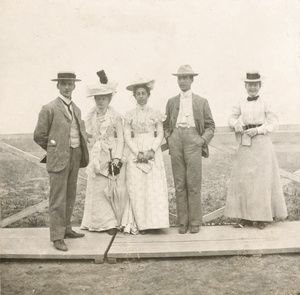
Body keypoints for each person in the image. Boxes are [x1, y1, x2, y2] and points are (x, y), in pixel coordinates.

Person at [34, 71, 89, 251]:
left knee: (70, 195)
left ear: (74, 86)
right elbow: (39, 136)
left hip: (76, 155)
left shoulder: (77, 109)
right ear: (58, 86)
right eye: (63, 83)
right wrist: (54, 150)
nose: (67, 87)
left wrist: (77, 151)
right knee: (57, 198)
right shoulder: (49, 108)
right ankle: (57, 237)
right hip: (59, 158)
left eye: (70, 84)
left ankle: (66, 229)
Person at [224, 71, 287, 229]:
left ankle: (262, 217)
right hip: (246, 143)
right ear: (245, 85)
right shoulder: (240, 101)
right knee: (245, 180)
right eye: (249, 84)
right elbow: (231, 117)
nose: (252, 87)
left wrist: (258, 130)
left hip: (262, 142)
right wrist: (235, 124)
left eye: (255, 84)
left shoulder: (266, 102)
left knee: (261, 181)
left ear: (260, 86)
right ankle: (246, 217)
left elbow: (274, 123)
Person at [163, 65, 215, 234]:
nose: (182, 81)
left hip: (193, 139)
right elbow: (166, 124)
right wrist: (169, 137)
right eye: (180, 78)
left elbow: (210, 126)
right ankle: (182, 222)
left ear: (192, 80)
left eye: (186, 78)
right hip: (176, 139)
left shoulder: (201, 101)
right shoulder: (171, 101)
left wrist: (202, 140)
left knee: (193, 183)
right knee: (179, 183)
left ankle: (194, 222)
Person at [80, 72, 129, 235]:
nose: (101, 101)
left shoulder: (115, 116)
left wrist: (116, 158)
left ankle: (112, 223)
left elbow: (121, 138)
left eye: (104, 98)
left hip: (110, 154)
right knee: (96, 188)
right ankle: (94, 222)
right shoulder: (91, 116)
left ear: (109, 99)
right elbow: (88, 134)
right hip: (97, 155)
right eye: (98, 98)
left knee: (111, 188)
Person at [123, 75, 169, 235]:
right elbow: (127, 136)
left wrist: (152, 150)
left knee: (153, 187)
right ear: (134, 96)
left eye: (143, 93)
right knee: (138, 188)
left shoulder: (155, 113)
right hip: (136, 151)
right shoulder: (129, 115)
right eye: (138, 94)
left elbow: (160, 133)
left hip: (152, 151)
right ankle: (142, 224)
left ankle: (156, 223)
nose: (141, 96)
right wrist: (137, 152)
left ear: (148, 95)